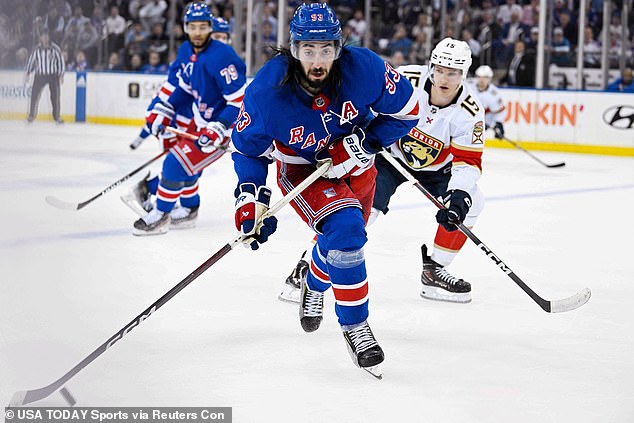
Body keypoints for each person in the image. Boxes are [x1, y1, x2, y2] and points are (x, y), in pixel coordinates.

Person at [230, 3, 418, 375]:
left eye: (326, 50)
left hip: (359, 169)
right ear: (294, 48)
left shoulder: (364, 69)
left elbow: (408, 111)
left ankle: (313, 284)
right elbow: (247, 150)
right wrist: (250, 199)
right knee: (347, 230)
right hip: (302, 172)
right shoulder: (267, 91)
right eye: (309, 50)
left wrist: (363, 144)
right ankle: (355, 326)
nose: (318, 61)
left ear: (339, 47)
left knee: (341, 242)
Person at [283, 37, 485, 305]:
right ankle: (307, 266)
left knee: (473, 202)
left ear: (464, 74)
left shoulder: (470, 111)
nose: (444, 78)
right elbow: (369, 106)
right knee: (358, 213)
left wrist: (459, 194)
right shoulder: (407, 79)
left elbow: (467, 160)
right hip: (387, 157)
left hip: (437, 169)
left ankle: (435, 269)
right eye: (439, 69)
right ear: (430, 65)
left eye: (453, 72)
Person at [126, 2, 246, 236]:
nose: (198, 32)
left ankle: (161, 216)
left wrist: (219, 127)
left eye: (203, 27)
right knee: (186, 166)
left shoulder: (223, 57)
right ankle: (189, 210)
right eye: (193, 27)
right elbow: (184, 87)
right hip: (201, 124)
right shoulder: (187, 51)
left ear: (210, 27)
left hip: (225, 131)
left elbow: (239, 102)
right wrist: (164, 110)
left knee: (174, 163)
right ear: (185, 28)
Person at [25, 30, 65, 123]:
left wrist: (61, 74)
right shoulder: (36, 49)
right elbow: (31, 61)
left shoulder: (55, 48)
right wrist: (28, 73)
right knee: (34, 95)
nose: (45, 38)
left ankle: (57, 117)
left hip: (52, 75)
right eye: (43, 36)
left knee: (55, 97)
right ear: (40, 38)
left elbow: (60, 61)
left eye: (47, 36)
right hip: (40, 75)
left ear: (49, 37)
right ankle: (31, 115)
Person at [468, 65, 506, 140]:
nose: (481, 80)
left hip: (481, 123)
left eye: (485, 77)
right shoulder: (468, 85)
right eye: (479, 77)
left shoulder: (494, 94)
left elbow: (499, 110)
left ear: (489, 79)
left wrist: (498, 123)